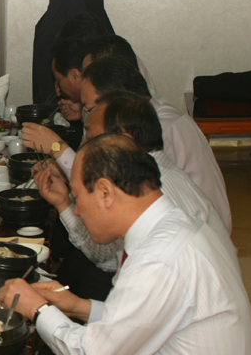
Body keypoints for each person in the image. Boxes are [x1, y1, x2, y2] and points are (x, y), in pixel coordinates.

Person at [0, 134, 251, 355]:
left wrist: (38, 308)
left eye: (77, 196)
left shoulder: (162, 257)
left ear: (105, 192)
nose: (75, 206)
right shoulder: (168, 228)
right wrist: (80, 307)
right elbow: (146, 319)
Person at [36, 91, 231, 278]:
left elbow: (106, 261)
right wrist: (63, 203)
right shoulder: (151, 171)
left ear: (123, 140)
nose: (85, 144)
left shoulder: (151, 188)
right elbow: (112, 259)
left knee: (82, 278)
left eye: (91, 136)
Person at [81, 57, 232, 231]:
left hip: (199, 230)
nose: (89, 115)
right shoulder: (151, 117)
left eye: (89, 108)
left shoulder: (159, 130)